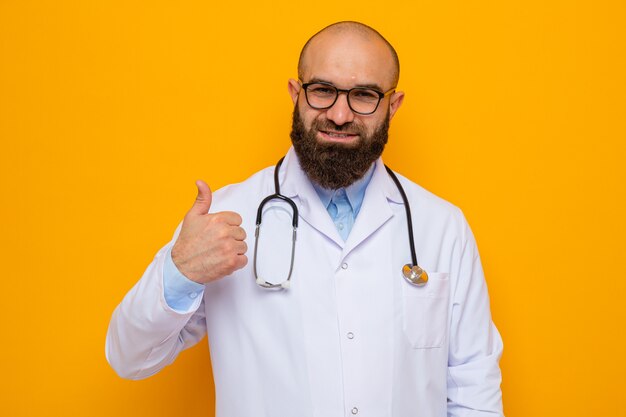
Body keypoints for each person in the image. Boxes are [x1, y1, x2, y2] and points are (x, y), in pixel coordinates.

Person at [106, 21, 504, 417]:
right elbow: (130, 356)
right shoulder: (225, 218)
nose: (340, 114)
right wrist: (182, 272)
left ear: (392, 105)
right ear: (296, 94)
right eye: (323, 91)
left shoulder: (442, 227)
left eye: (364, 95)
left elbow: (474, 388)